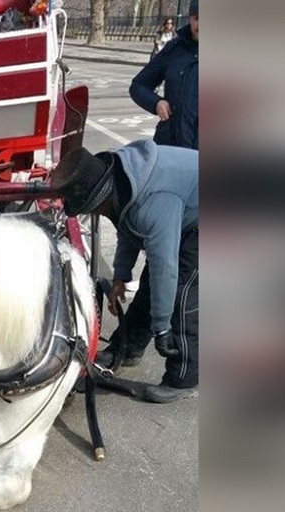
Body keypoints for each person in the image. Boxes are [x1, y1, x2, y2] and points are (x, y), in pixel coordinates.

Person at [51, 140, 198, 403]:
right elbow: (128, 225)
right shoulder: (124, 179)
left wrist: (162, 328)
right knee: (153, 281)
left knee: (183, 291)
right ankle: (128, 348)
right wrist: (121, 275)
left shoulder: (154, 202)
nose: (96, 214)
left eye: (93, 209)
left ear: (102, 197)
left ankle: (184, 377)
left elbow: (166, 267)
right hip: (187, 205)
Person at [130, 0, 198, 150]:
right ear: (190, 19)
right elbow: (138, 86)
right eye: (197, 18)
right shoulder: (174, 49)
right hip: (171, 146)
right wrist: (156, 103)